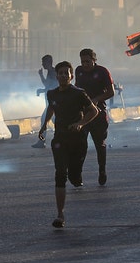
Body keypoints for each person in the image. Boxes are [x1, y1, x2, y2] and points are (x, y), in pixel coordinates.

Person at [38, 61, 99, 228]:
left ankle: (77, 177)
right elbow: (51, 108)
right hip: (59, 139)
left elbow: (94, 111)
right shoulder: (52, 94)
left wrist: (80, 123)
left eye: (67, 73)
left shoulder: (79, 94)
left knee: (74, 176)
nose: (63, 75)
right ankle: (60, 214)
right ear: (57, 76)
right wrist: (44, 126)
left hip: (77, 140)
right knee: (60, 174)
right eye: (61, 73)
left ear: (71, 76)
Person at [75, 48, 115, 186]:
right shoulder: (78, 71)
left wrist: (97, 99)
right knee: (80, 144)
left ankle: (102, 170)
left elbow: (111, 92)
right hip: (84, 114)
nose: (85, 64)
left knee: (100, 144)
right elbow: (77, 89)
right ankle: (78, 174)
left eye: (88, 61)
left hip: (99, 113)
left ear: (94, 60)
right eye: (83, 62)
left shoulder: (102, 72)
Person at [33, 54, 59, 148]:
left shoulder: (52, 72)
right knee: (52, 119)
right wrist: (42, 90)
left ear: (48, 63)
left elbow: (49, 85)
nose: (42, 64)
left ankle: (42, 141)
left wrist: (40, 75)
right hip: (51, 101)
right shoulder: (51, 71)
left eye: (43, 62)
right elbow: (49, 86)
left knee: (45, 119)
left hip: (53, 102)